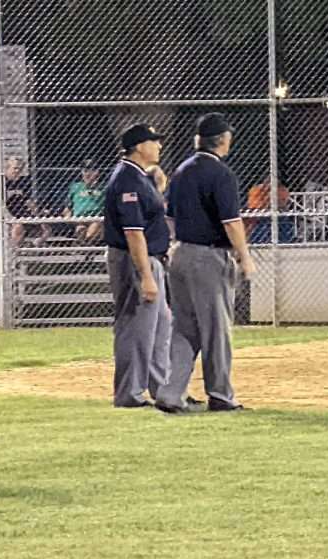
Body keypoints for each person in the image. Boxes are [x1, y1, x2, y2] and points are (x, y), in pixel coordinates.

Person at [157, 112, 257, 414]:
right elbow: (231, 222)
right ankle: (221, 395)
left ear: (197, 140)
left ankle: (170, 394)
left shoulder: (181, 172)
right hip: (209, 257)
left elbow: (169, 218)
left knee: (184, 328)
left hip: (180, 254)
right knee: (216, 330)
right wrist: (245, 256)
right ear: (224, 141)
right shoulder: (221, 174)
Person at [103, 124, 171, 408]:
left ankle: (163, 389)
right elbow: (133, 232)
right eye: (154, 142)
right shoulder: (128, 179)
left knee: (161, 325)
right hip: (136, 261)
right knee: (136, 327)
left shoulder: (138, 177)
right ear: (139, 147)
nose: (159, 146)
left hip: (149, 259)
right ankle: (129, 394)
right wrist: (146, 276)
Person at [65, 159, 105, 243]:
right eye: (85, 170)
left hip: (96, 217)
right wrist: (68, 218)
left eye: (92, 170)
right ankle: (86, 246)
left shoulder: (104, 187)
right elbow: (68, 207)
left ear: (97, 172)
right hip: (79, 219)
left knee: (93, 229)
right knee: (81, 230)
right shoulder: (75, 187)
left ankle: (86, 244)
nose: (88, 173)